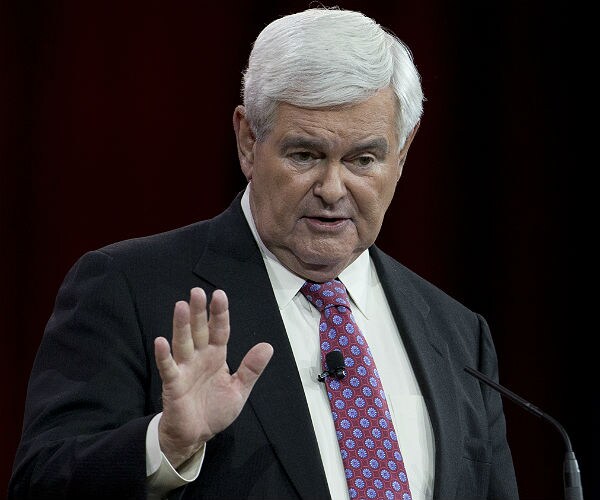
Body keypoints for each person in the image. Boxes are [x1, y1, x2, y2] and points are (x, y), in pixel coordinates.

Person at [8, 6, 519, 500]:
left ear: (402, 155)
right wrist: (166, 445)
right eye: (305, 155)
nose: (332, 188)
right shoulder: (131, 290)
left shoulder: (458, 335)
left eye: (363, 159)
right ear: (249, 141)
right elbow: (41, 482)